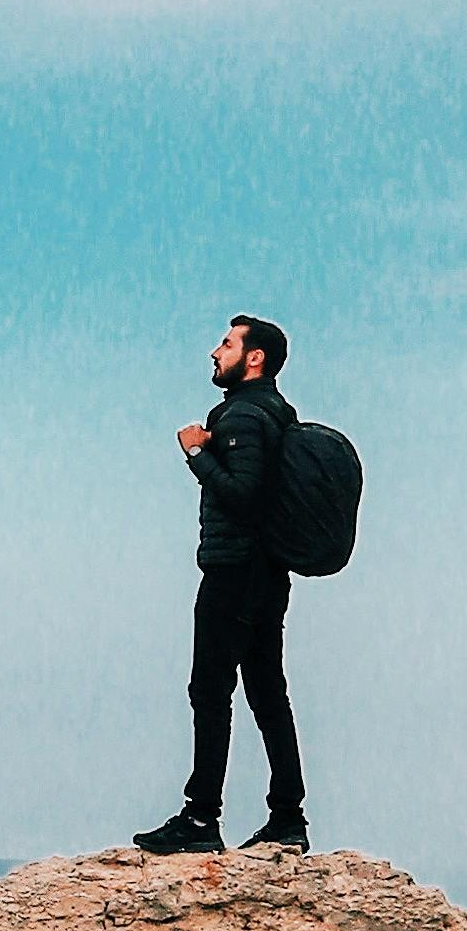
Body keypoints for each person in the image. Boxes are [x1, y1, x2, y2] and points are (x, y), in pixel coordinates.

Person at [131, 313, 309, 857]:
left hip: (234, 572)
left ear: (253, 358)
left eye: (226, 344)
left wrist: (197, 453)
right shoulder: (276, 414)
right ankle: (287, 818)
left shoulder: (246, 417)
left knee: (210, 692)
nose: (215, 351)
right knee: (266, 694)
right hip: (267, 574)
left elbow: (243, 495)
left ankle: (200, 818)